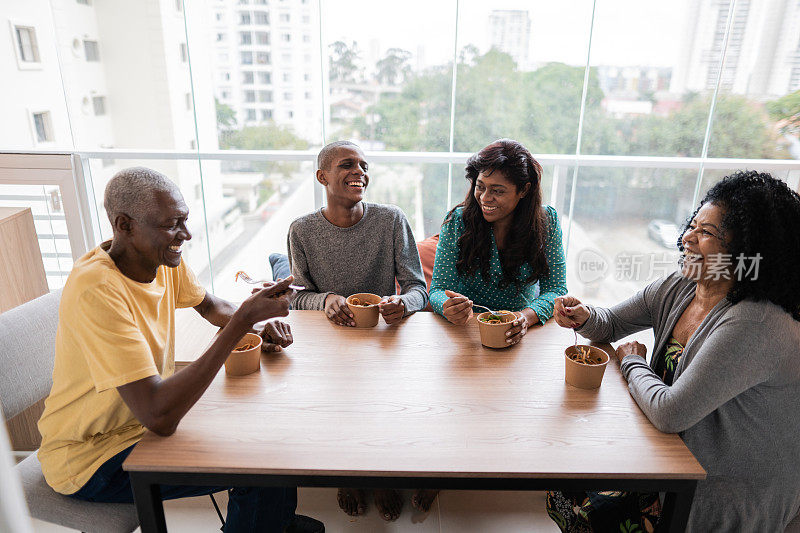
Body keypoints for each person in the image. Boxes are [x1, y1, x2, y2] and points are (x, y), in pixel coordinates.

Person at [36, 167, 323, 533]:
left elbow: (210, 306)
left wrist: (256, 325)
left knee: (272, 431)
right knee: (259, 465)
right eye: (172, 224)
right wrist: (239, 325)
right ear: (125, 225)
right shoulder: (97, 289)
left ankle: (272, 522)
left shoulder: (156, 256)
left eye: (184, 220)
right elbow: (159, 415)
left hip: (138, 424)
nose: (184, 235)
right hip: (91, 457)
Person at [549, 170, 800, 532]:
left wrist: (633, 362)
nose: (687, 238)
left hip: (721, 488)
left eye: (708, 233)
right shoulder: (682, 286)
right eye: (693, 226)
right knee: (566, 480)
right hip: (670, 456)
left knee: (593, 510)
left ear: (748, 251)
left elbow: (671, 412)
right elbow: (611, 323)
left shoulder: (755, 323)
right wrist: (582, 315)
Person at [287, 140, 429, 521]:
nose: (360, 172)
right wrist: (326, 299)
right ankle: (345, 475)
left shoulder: (391, 219)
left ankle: (380, 476)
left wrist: (403, 304)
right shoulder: (301, 230)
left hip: (379, 338)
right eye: (347, 164)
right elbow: (296, 298)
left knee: (384, 406)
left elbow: (418, 287)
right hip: (328, 345)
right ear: (322, 177)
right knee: (331, 406)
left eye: (364, 165)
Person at [429, 138, 567, 345]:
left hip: (523, 330)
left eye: (497, 191)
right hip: (466, 330)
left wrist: (525, 318)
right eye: (480, 186)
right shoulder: (458, 221)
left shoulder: (547, 222)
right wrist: (447, 306)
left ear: (524, 190)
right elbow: (438, 289)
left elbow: (556, 290)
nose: (484, 198)